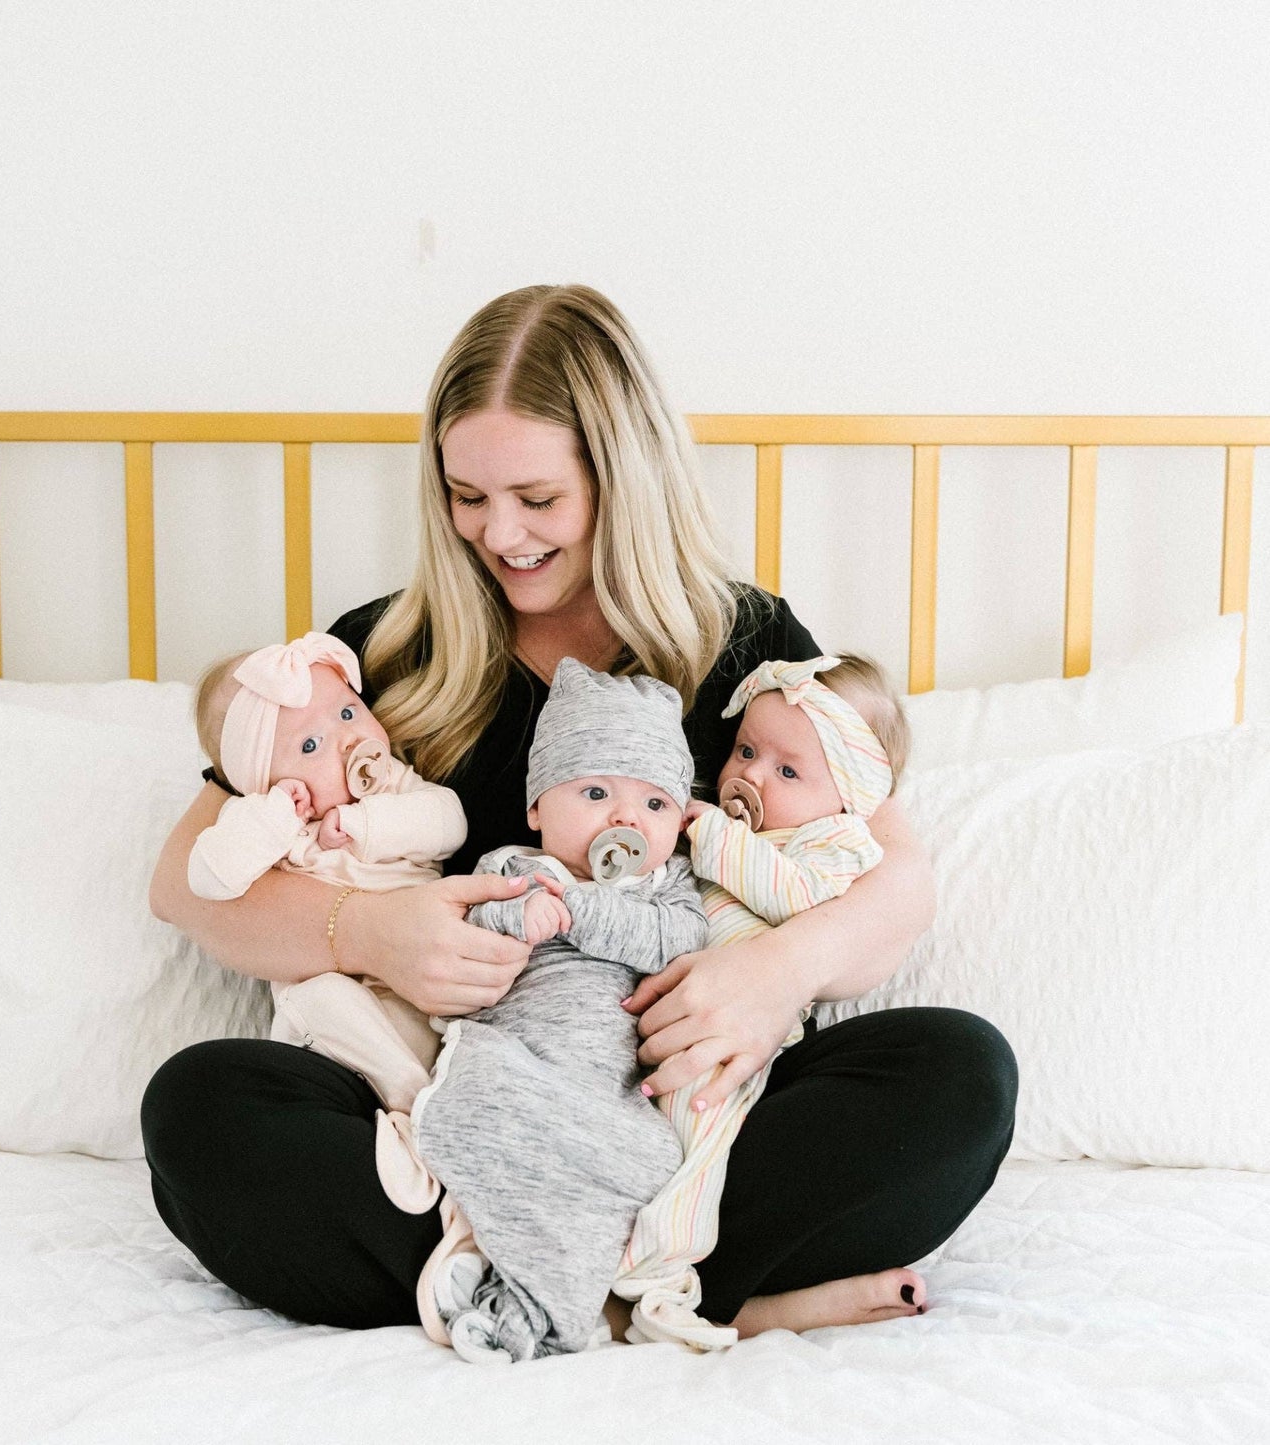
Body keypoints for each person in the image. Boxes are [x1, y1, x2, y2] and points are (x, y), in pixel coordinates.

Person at [141, 283, 1018, 1340]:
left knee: (957, 1075)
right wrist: (365, 930)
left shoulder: (745, 644)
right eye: (466, 495)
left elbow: (896, 875)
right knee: (200, 1106)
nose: (498, 532)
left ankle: (537, 1284)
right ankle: (662, 1294)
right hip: (458, 1118)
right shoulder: (383, 653)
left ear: (621, 477)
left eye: (537, 498)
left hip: (683, 1120)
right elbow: (183, 878)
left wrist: (775, 973)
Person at [414, 659, 707, 1362]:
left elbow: (679, 941)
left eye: (655, 804)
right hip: (517, 1063)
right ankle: (520, 1287)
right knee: (479, 1100)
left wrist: (580, 909)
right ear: (537, 809)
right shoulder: (513, 870)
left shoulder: (666, 889)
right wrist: (515, 918)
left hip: (607, 1095)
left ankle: (533, 1297)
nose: (625, 819)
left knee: (642, 1159)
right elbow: (467, 931)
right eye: (596, 792)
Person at [615, 652, 905, 1342]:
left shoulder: (836, 843)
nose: (751, 775)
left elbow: (793, 896)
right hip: (653, 1013)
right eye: (746, 750)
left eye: (788, 771)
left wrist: (708, 831)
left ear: (850, 792)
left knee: (695, 1139)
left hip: (733, 1047)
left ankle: (660, 1269)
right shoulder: (729, 830)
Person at [186, 630, 466, 1067]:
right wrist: (277, 815)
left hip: (417, 985)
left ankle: (413, 1093)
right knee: (315, 1000)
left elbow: (450, 824)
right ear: (262, 779)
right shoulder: (270, 820)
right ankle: (409, 1093)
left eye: (348, 711)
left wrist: (362, 823)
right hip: (334, 1016)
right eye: (310, 745)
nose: (348, 739)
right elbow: (207, 879)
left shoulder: (392, 784)